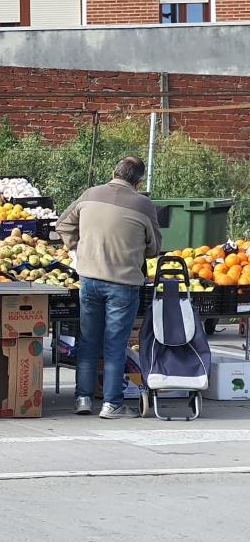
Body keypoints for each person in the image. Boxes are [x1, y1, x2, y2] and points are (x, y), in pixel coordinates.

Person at [56, 156, 162, 420]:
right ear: (138, 183)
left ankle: (82, 398)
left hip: (90, 281)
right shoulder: (144, 204)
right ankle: (112, 404)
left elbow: (63, 224)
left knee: (89, 341)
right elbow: (154, 248)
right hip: (124, 285)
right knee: (115, 345)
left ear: (113, 172)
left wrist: (77, 247)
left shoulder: (90, 194)